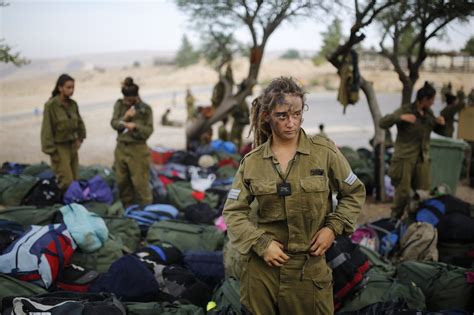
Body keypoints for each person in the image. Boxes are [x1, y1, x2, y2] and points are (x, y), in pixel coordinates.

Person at [223, 77, 365, 314]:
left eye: (297, 114)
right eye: (282, 116)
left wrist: (333, 227)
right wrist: (261, 243)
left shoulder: (324, 152)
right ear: (267, 115)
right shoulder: (252, 162)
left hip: (308, 271)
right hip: (263, 273)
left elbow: (354, 192)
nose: (291, 123)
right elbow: (233, 212)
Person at [379, 81, 446, 219]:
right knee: (402, 194)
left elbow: (436, 130)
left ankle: (418, 223)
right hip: (404, 159)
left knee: (423, 194)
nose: (433, 103)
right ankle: (394, 221)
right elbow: (383, 122)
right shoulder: (406, 110)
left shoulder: (429, 113)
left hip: (422, 160)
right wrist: (400, 118)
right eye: (432, 100)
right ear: (425, 99)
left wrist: (440, 124)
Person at [111, 77, 153, 207]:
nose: (126, 102)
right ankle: (127, 211)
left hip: (138, 150)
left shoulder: (145, 109)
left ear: (135, 97)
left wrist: (135, 127)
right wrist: (125, 118)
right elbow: (114, 123)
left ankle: (146, 212)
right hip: (121, 148)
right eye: (125, 99)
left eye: (129, 100)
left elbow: (148, 131)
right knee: (122, 182)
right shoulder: (119, 105)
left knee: (140, 184)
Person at [41, 74, 86, 191]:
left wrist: (80, 138)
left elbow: (79, 122)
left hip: (72, 146)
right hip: (59, 148)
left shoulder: (73, 104)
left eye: (73, 88)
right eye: (68, 87)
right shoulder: (51, 106)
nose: (71, 90)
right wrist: (52, 151)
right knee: (66, 181)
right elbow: (47, 129)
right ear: (60, 88)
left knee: (75, 177)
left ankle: (74, 204)